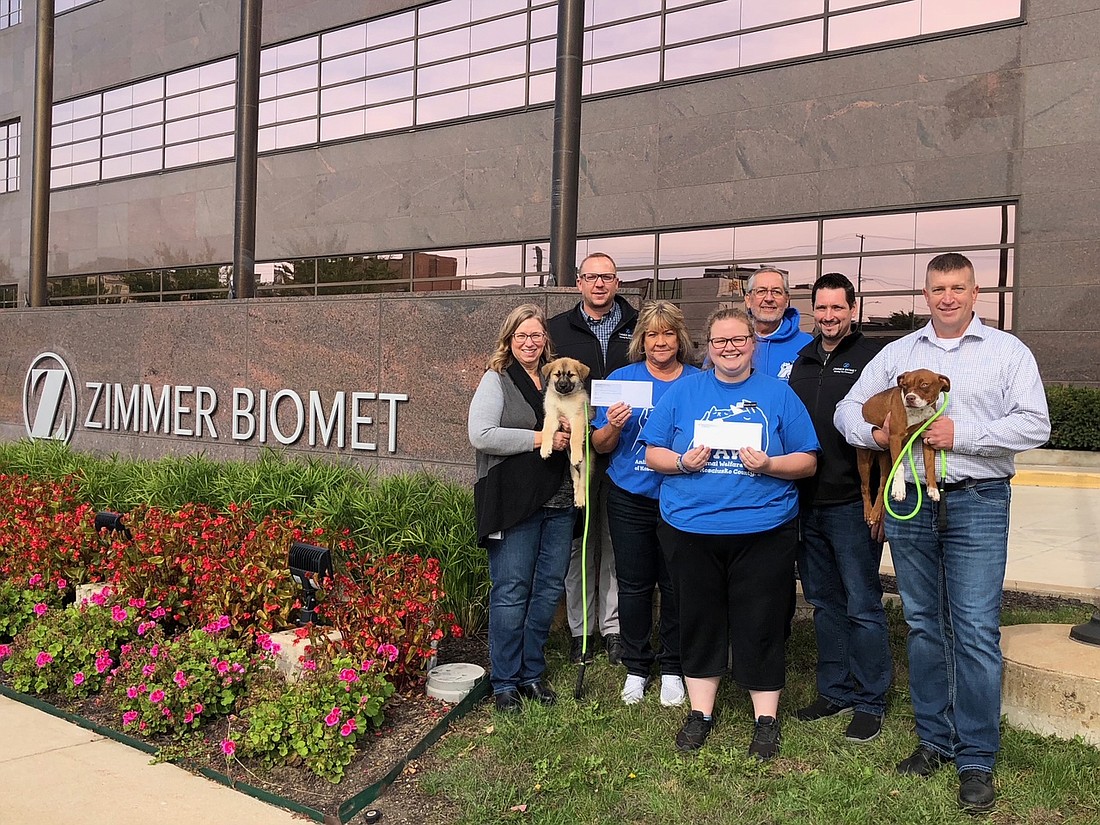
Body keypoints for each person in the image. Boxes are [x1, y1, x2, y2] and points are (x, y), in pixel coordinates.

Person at [834, 253, 1050, 813]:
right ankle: (933, 740)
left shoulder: (1008, 352)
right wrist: (875, 434)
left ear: (975, 292)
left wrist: (963, 433)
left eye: (957, 287)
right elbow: (846, 407)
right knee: (925, 623)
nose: (947, 297)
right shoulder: (899, 354)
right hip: (910, 505)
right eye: (937, 288)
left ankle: (976, 758)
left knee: (975, 628)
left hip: (978, 501)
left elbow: (1035, 423)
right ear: (926, 293)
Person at [640, 307, 819, 759]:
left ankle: (766, 719)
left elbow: (808, 460)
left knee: (760, 620)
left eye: (738, 339)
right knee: (700, 618)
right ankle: (701, 713)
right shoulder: (684, 390)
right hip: (691, 527)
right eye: (720, 342)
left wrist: (771, 465)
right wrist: (683, 462)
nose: (730, 348)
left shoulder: (778, 393)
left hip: (763, 528)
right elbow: (654, 453)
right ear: (709, 347)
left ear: (752, 343)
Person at [788, 273, 892, 744]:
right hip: (806, 503)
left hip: (854, 503)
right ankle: (835, 690)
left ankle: (871, 700)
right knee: (824, 604)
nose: (829, 317)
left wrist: (883, 503)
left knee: (864, 605)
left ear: (853, 308)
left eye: (838, 308)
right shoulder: (802, 360)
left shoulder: (873, 359)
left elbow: (890, 440)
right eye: (822, 309)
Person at [468, 304, 577, 713]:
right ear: (509, 340)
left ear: (545, 340)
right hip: (514, 503)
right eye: (521, 336)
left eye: (536, 335)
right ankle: (505, 682)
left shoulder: (557, 379)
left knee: (547, 591)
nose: (529, 343)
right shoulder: (495, 379)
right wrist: (540, 437)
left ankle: (532, 674)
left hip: (560, 500)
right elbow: (481, 434)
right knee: (512, 592)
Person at [591, 300, 700, 707]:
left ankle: (673, 666)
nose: (660, 342)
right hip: (629, 494)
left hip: (681, 496)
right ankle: (637, 666)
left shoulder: (697, 381)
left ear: (680, 338)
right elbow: (600, 444)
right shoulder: (622, 379)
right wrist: (614, 426)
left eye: (668, 333)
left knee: (676, 584)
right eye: (652, 334)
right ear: (641, 340)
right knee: (634, 583)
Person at [548, 252, 638, 665]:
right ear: (579, 282)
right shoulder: (556, 329)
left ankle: (614, 629)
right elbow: (541, 387)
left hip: (625, 451)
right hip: (574, 456)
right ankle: (581, 629)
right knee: (577, 544)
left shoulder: (637, 326)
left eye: (607, 277)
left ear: (617, 282)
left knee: (614, 543)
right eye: (590, 277)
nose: (599, 284)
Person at [744, 266, 813, 380]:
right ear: (748, 300)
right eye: (761, 291)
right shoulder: (731, 343)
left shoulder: (808, 346)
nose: (769, 298)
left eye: (776, 292)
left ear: (787, 300)